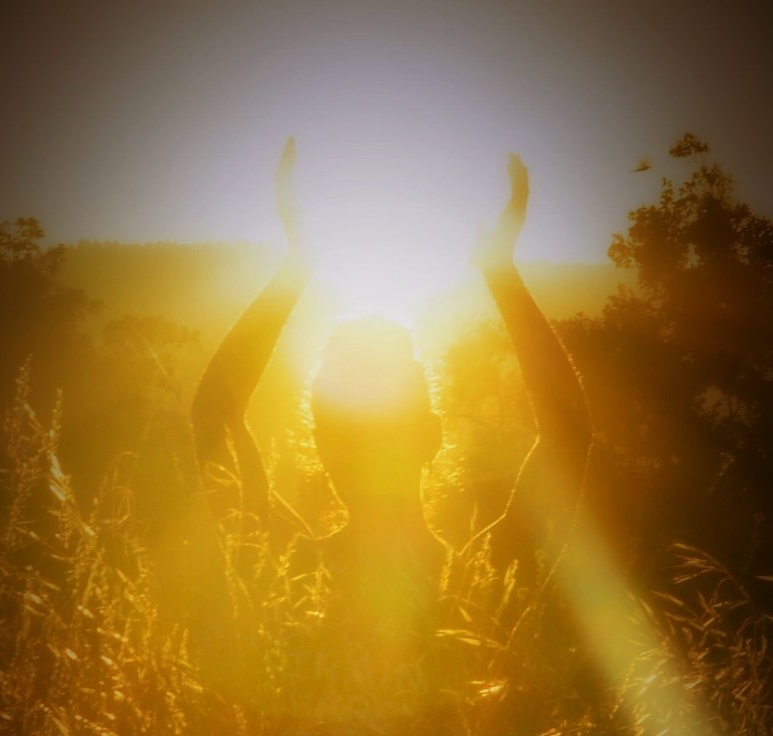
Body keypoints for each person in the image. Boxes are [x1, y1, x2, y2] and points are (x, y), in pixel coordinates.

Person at [190, 139, 594, 722]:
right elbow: (569, 431)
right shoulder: (484, 577)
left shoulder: (293, 566)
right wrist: (500, 273)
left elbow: (213, 415)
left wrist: (296, 266)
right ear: (431, 435)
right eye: (348, 436)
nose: (362, 455)